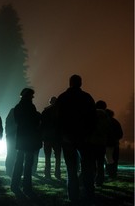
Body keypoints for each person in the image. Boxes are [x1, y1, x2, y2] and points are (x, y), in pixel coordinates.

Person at [56, 74, 97, 205]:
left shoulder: (62, 98)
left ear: (70, 83)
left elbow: (57, 119)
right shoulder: (87, 98)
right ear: (80, 83)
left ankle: (73, 196)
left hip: (67, 138)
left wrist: (62, 135)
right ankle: (89, 193)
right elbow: (93, 118)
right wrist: (89, 134)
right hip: (84, 138)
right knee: (87, 168)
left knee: (71, 169)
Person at [11, 88, 41, 194]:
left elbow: (17, 121)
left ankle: (14, 184)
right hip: (30, 139)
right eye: (31, 96)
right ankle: (26, 186)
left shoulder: (18, 107)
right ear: (28, 96)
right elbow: (35, 122)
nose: (33, 97)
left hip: (21, 138)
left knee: (19, 161)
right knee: (28, 163)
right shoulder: (31, 107)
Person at [41, 96, 62, 179]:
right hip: (57, 137)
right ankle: (57, 173)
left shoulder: (45, 111)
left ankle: (47, 173)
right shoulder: (60, 112)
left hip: (48, 136)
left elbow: (42, 125)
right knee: (58, 157)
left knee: (47, 156)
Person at [105, 109, 123, 178]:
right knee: (114, 159)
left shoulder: (106, 122)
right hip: (115, 143)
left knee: (108, 158)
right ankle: (113, 172)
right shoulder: (116, 122)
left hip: (108, 143)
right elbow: (120, 134)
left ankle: (110, 172)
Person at [5, 108, 17, 177]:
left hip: (10, 137)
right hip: (15, 137)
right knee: (14, 154)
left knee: (10, 153)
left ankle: (9, 169)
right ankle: (11, 169)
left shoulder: (10, 117)